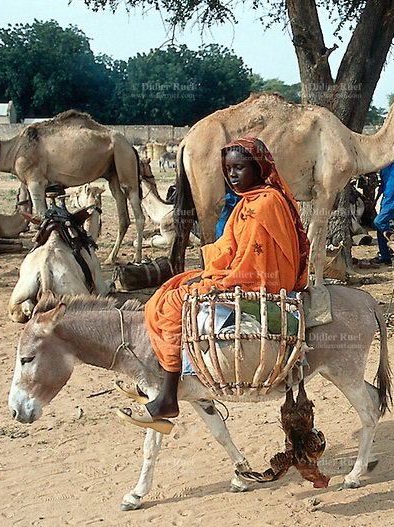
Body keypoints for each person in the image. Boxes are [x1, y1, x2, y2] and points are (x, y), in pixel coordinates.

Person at [117, 137, 310, 433]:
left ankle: (168, 396)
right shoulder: (249, 201)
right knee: (168, 290)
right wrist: (209, 271)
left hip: (261, 284)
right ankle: (164, 378)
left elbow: (254, 261)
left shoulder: (266, 204)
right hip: (240, 274)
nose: (232, 175)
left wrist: (220, 279)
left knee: (172, 305)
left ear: (258, 168)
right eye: (228, 169)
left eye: (239, 168)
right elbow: (229, 248)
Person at [371, 158, 394, 264]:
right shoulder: (384, 167)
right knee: (379, 229)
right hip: (385, 201)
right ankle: (385, 256)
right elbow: (382, 186)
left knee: (378, 222)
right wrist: (375, 200)